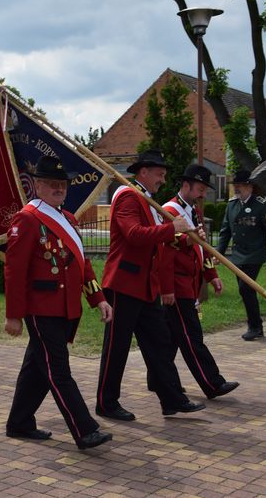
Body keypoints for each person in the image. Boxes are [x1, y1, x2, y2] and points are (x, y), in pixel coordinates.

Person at [4, 156, 113, 450]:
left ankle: (19, 422)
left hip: (66, 308)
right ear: (37, 185)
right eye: (52, 183)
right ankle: (85, 429)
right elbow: (14, 271)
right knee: (58, 371)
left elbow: (81, 263)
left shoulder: (68, 218)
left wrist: (98, 297)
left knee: (38, 368)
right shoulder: (27, 218)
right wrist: (13, 315)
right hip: (41, 308)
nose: (58, 189)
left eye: (62, 184)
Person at [96, 149, 205, 421]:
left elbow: (159, 243)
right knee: (116, 347)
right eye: (159, 174)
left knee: (159, 342)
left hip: (146, 286)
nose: (162, 179)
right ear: (143, 171)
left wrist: (183, 239)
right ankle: (106, 402)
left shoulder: (146, 200)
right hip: (124, 283)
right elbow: (134, 235)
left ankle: (172, 399)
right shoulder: (127, 197)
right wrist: (173, 228)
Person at [155, 164, 239, 399]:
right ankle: (212, 383)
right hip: (177, 286)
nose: (203, 195)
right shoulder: (168, 211)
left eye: (204, 190)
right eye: (199, 189)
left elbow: (200, 249)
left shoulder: (194, 211)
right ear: (185, 185)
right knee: (192, 337)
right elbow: (164, 253)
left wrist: (212, 275)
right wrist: (167, 289)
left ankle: (158, 380)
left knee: (171, 339)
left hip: (190, 285)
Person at [217, 170, 266, 341]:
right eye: (235, 186)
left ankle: (255, 326)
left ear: (249, 187)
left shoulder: (261, 205)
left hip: (253, 255)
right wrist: (218, 254)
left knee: (246, 288)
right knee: (245, 291)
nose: (237, 189)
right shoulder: (232, 205)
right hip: (237, 256)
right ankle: (256, 326)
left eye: (240, 186)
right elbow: (224, 232)